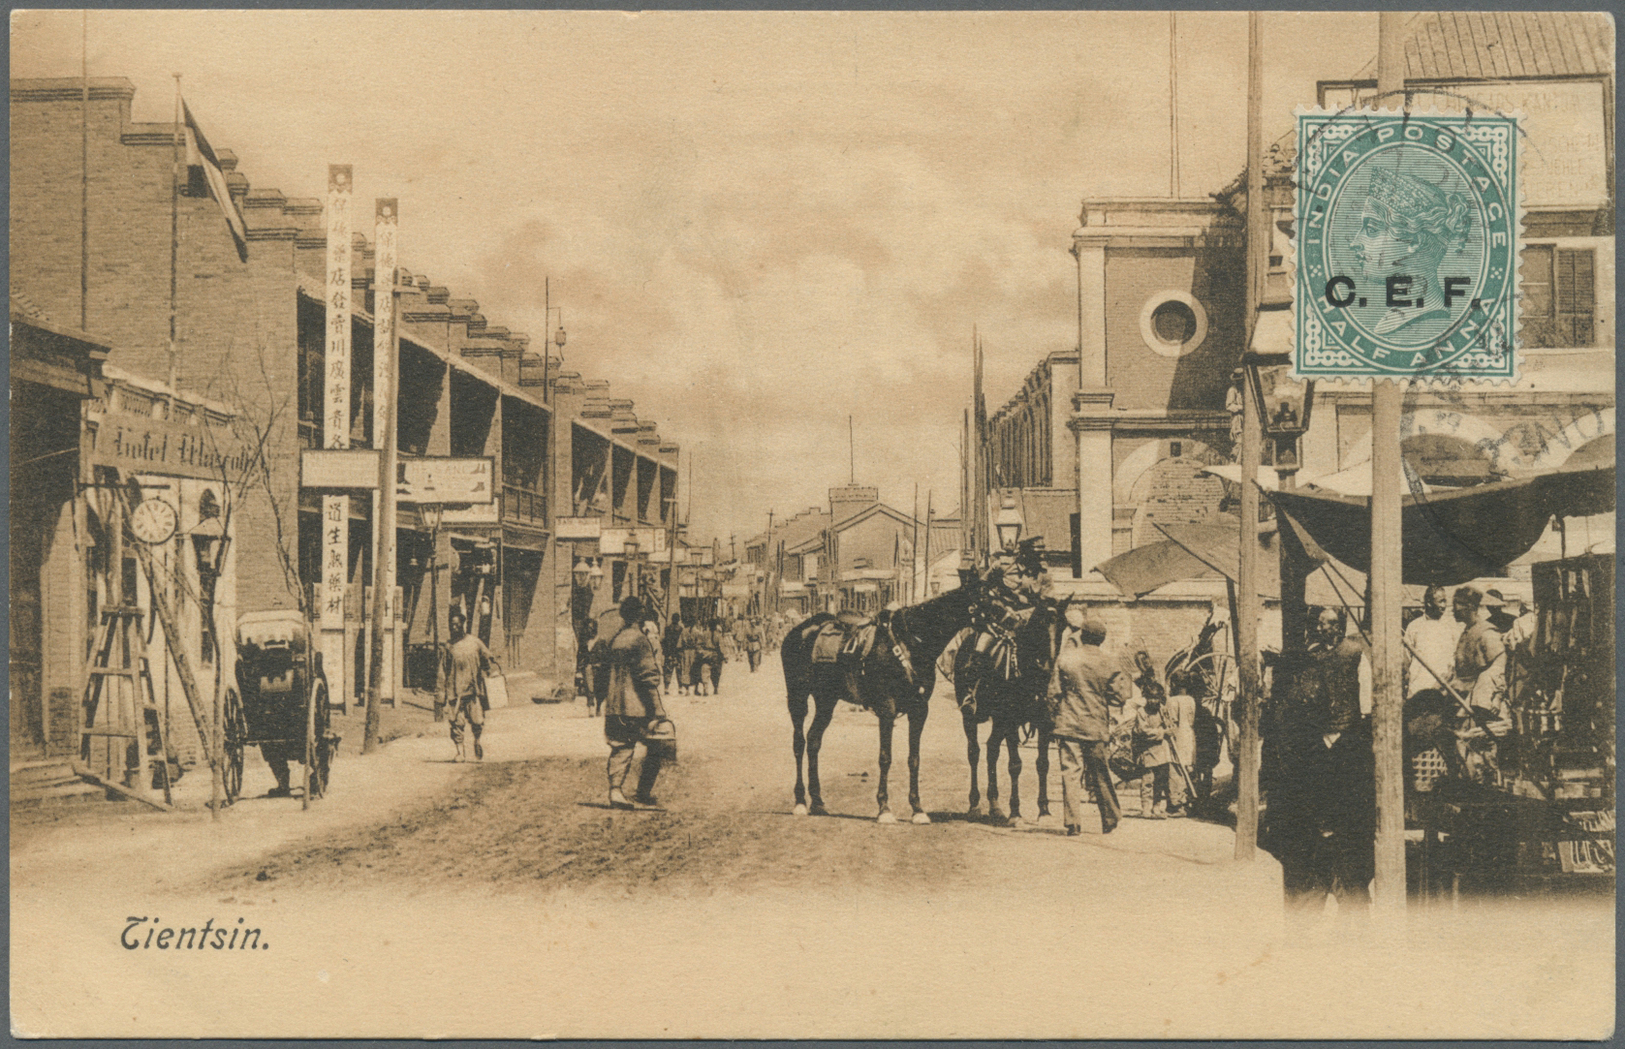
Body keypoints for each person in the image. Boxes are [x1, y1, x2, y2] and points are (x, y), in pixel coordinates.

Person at [1268, 606, 1374, 917]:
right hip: (1319, 730)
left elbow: (1364, 691)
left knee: (1346, 781)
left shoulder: (1355, 653)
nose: (1324, 628)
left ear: (1341, 625)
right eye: (1320, 623)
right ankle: (1323, 826)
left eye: (1330, 623)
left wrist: (1362, 716)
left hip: (1346, 729)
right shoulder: (1312, 654)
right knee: (1319, 783)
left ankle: (1342, 830)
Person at [1046, 613, 1130, 836]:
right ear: (1102, 639)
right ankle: (1110, 818)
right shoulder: (1110, 662)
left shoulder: (1065, 659)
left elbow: (1054, 693)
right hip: (1096, 725)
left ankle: (1073, 823)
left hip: (1069, 724)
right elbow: (1119, 698)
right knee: (1101, 772)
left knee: (1070, 774)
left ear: (1082, 635)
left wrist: (1055, 717)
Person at [604, 595, 671, 810]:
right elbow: (648, 677)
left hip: (614, 705)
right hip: (636, 706)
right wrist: (658, 709)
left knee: (621, 747)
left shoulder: (616, 639)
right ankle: (643, 791)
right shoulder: (639, 640)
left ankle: (615, 790)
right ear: (639, 615)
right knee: (658, 745)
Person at [1403, 585, 1467, 779]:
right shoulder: (1414, 626)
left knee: (1440, 734)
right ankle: (1416, 776)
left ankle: (1443, 776)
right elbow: (1405, 659)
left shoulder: (1452, 627)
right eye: (1440, 601)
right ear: (1429, 602)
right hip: (1418, 691)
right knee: (1416, 736)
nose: (1444, 605)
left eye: (1445, 601)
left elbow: (1456, 658)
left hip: (1443, 691)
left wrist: (1448, 679)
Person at [1450, 586, 1511, 780]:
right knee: (1465, 751)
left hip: (1483, 702)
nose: (1453, 610)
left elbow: (1499, 664)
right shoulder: (1468, 631)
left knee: (1483, 751)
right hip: (1464, 697)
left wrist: (1497, 697)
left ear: (1469, 607)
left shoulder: (1486, 633)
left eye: (1456, 605)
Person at [440, 609, 498, 762]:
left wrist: (490, 670)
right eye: (452, 625)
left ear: (463, 625)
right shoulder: (448, 647)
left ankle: (477, 741)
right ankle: (460, 752)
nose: (454, 628)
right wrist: (440, 694)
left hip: (473, 690)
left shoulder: (474, 642)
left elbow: (487, 657)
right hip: (455, 691)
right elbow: (442, 671)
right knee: (456, 724)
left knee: (477, 721)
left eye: (457, 625)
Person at [588, 619, 613, 717]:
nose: (590, 630)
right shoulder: (585, 642)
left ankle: (598, 706)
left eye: (591, 628)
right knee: (589, 688)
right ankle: (591, 707)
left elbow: (606, 656)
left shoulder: (601, 642)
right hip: (588, 667)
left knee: (599, 689)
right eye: (588, 628)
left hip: (599, 668)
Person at [661, 614, 685, 692]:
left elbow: (662, 640)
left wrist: (664, 650)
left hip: (669, 651)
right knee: (679, 670)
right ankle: (680, 688)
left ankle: (666, 688)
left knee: (668, 670)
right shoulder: (681, 629)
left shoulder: (667, 628)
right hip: (678, 652)